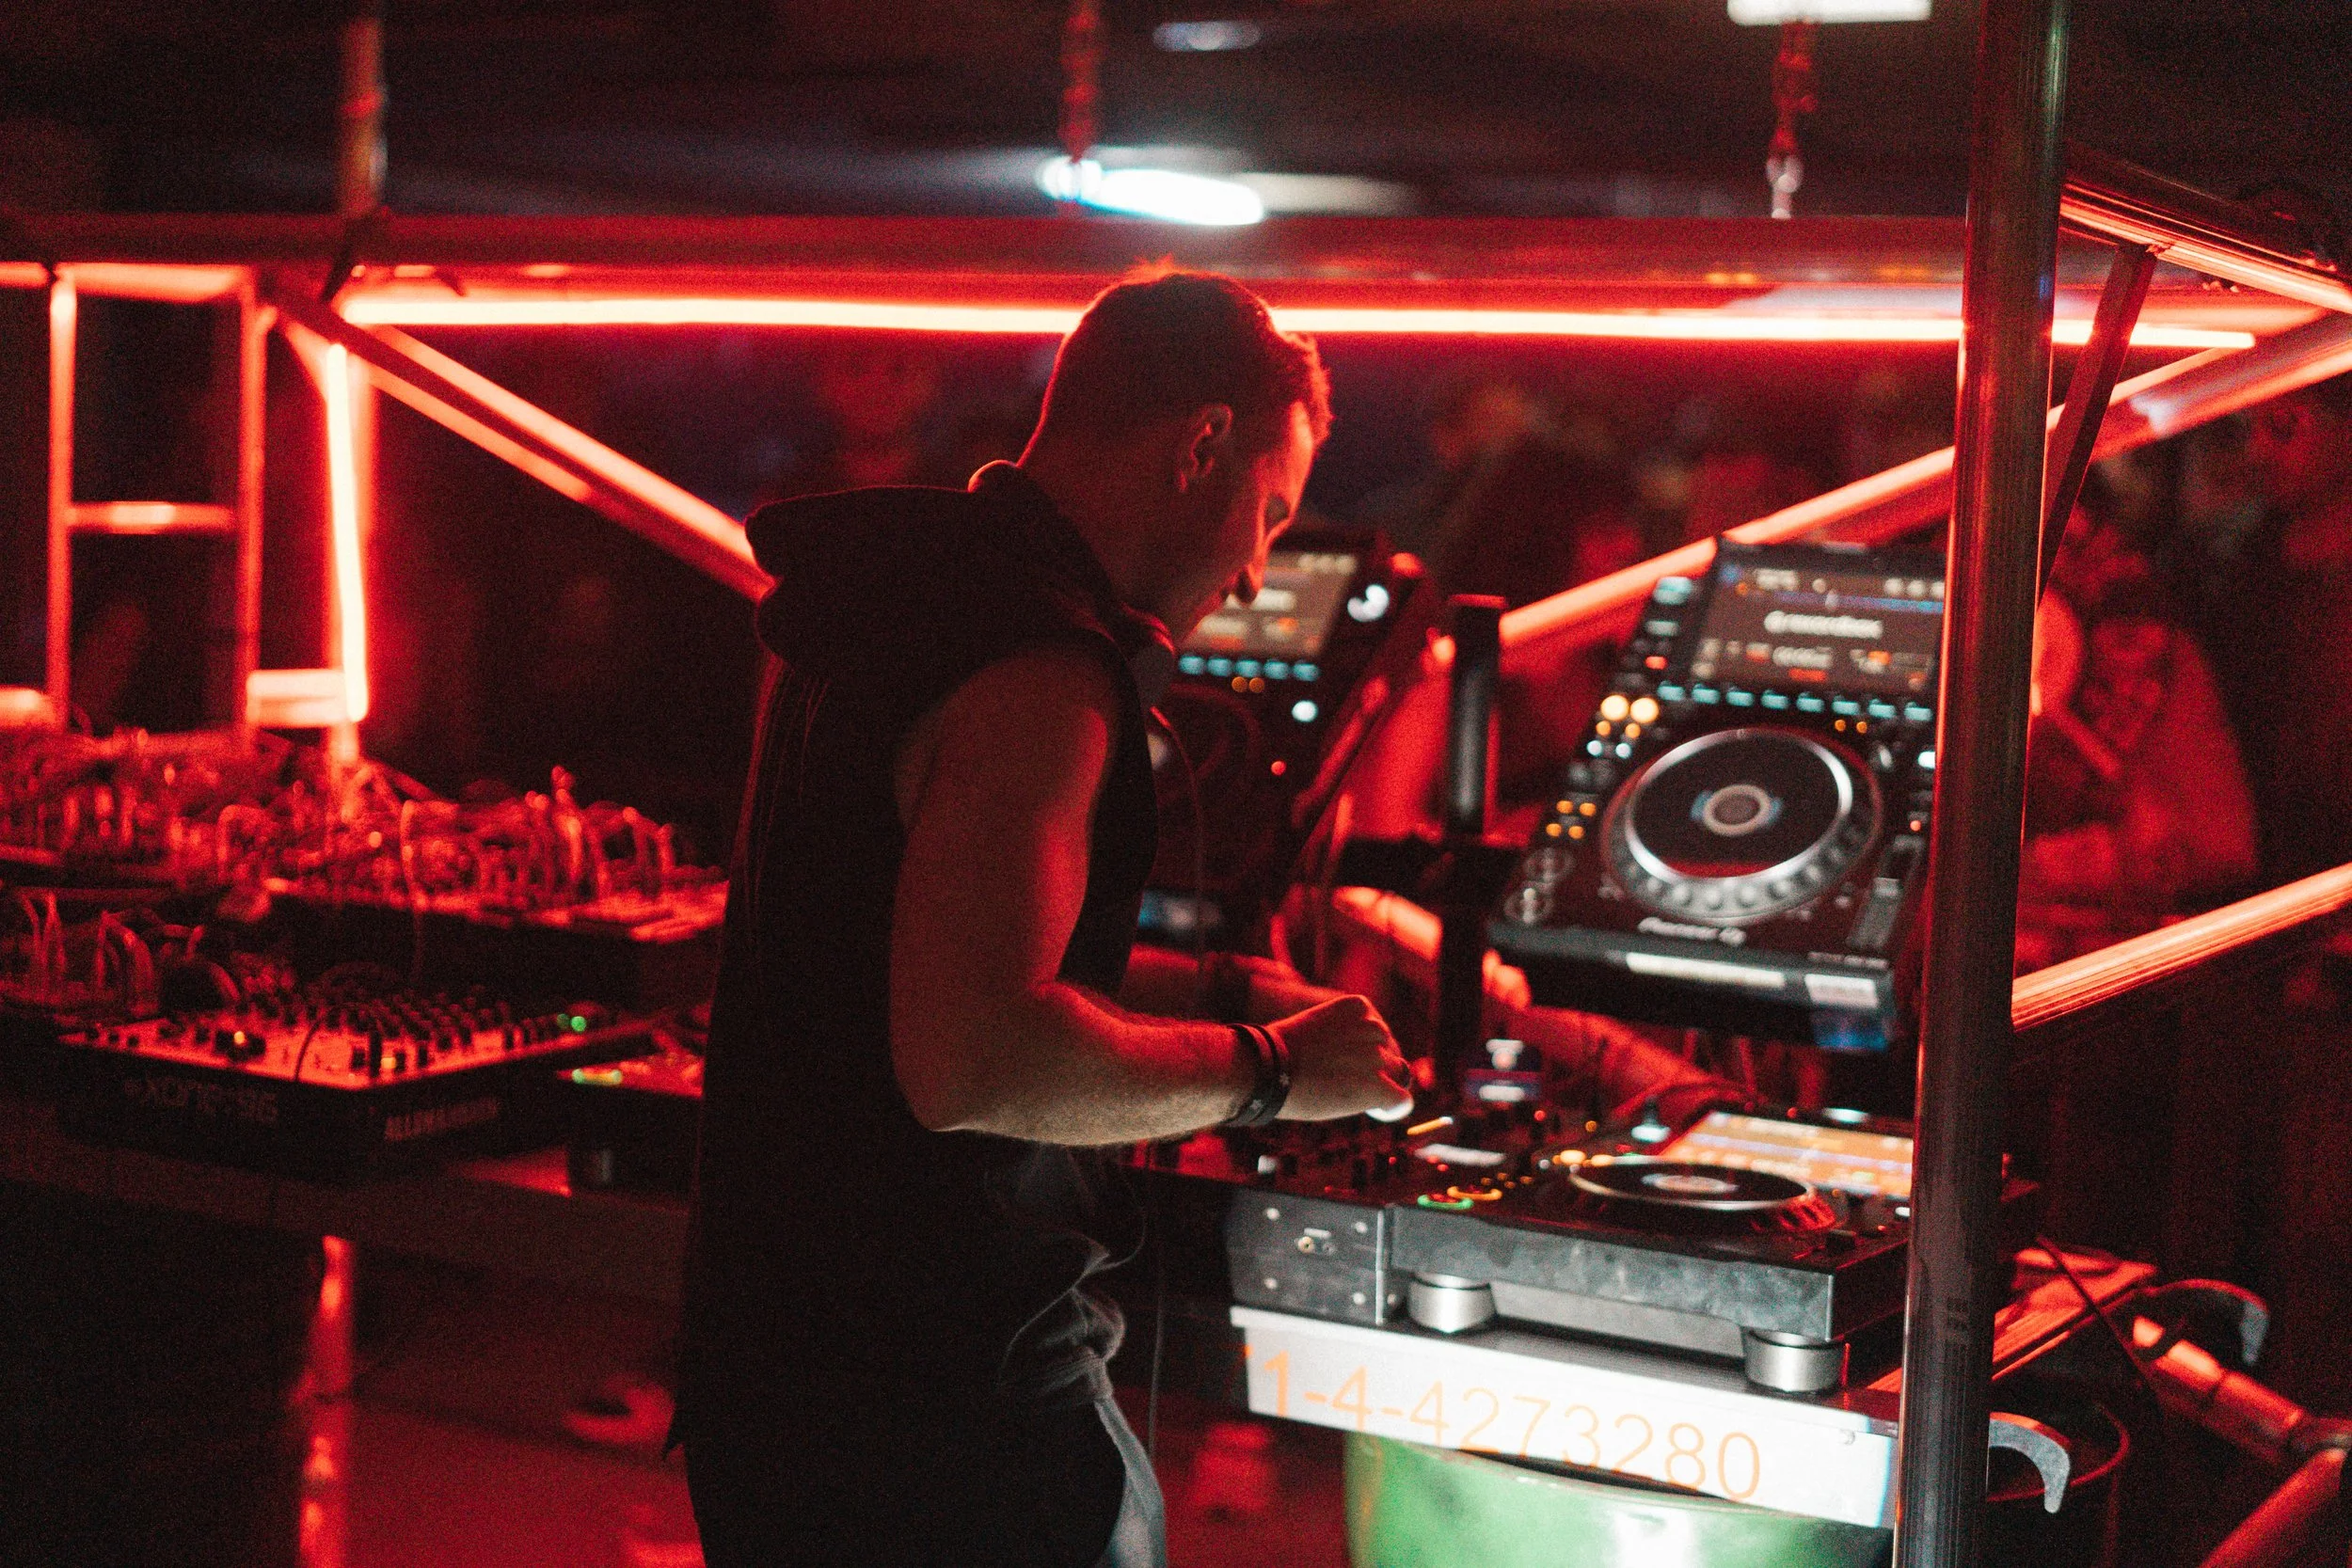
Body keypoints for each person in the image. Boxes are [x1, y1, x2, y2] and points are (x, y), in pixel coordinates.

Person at [675, 273, 1412, 1567]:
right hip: (945, 1417)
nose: (1255, 569)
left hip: (780, 1380)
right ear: (1203, 444)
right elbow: (978, 1062)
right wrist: (1275, 1072)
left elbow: (906, 940)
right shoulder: (1040, 673)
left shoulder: (887, 597)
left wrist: (1215, 991)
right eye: (1270, 512)